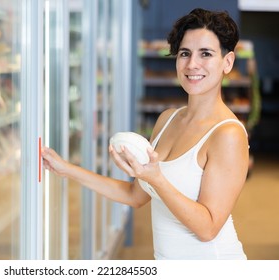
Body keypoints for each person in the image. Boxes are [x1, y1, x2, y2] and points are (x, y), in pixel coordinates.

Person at [42, 8, 249, 260]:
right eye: (185, 53)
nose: (192, 64)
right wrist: (66, 169)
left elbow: (208, 228)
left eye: (205, 54)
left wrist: (157, 179)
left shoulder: (227, 134)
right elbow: (135, 196)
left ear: (227, 62)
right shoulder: (167, 120)